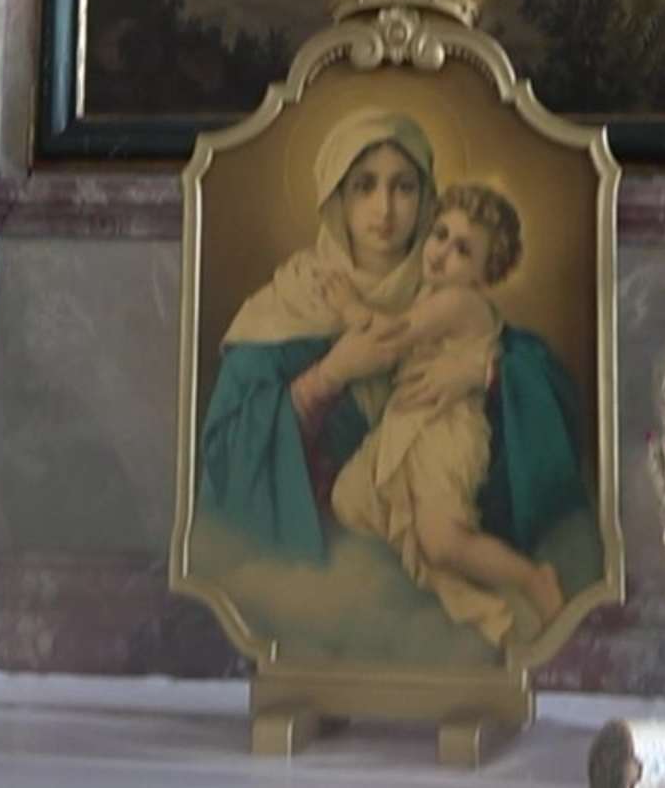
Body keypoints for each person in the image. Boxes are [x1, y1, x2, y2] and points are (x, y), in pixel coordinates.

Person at [194, 111, 589, 578]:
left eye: (403, 187)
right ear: (336, 197)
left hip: (439, 542)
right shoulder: (292, 300)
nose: (384, 209)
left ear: (426, 198)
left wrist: (484, 375)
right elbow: (225, 455)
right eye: (364, 186)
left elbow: (550, 391)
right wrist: (329, 376)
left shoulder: (449, 288)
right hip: (322, 563)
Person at [322, 184, 566, 644]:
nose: (442, 253)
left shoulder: (459, 302)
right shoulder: (430, 294)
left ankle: (533, 578)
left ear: (482, 274)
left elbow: (392, 336)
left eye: (463, 250)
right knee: (354, 501)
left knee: (441, 541)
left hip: (446, 435)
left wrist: (348, 306)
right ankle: (485, 609)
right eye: (440, 235)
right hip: (409, 426)